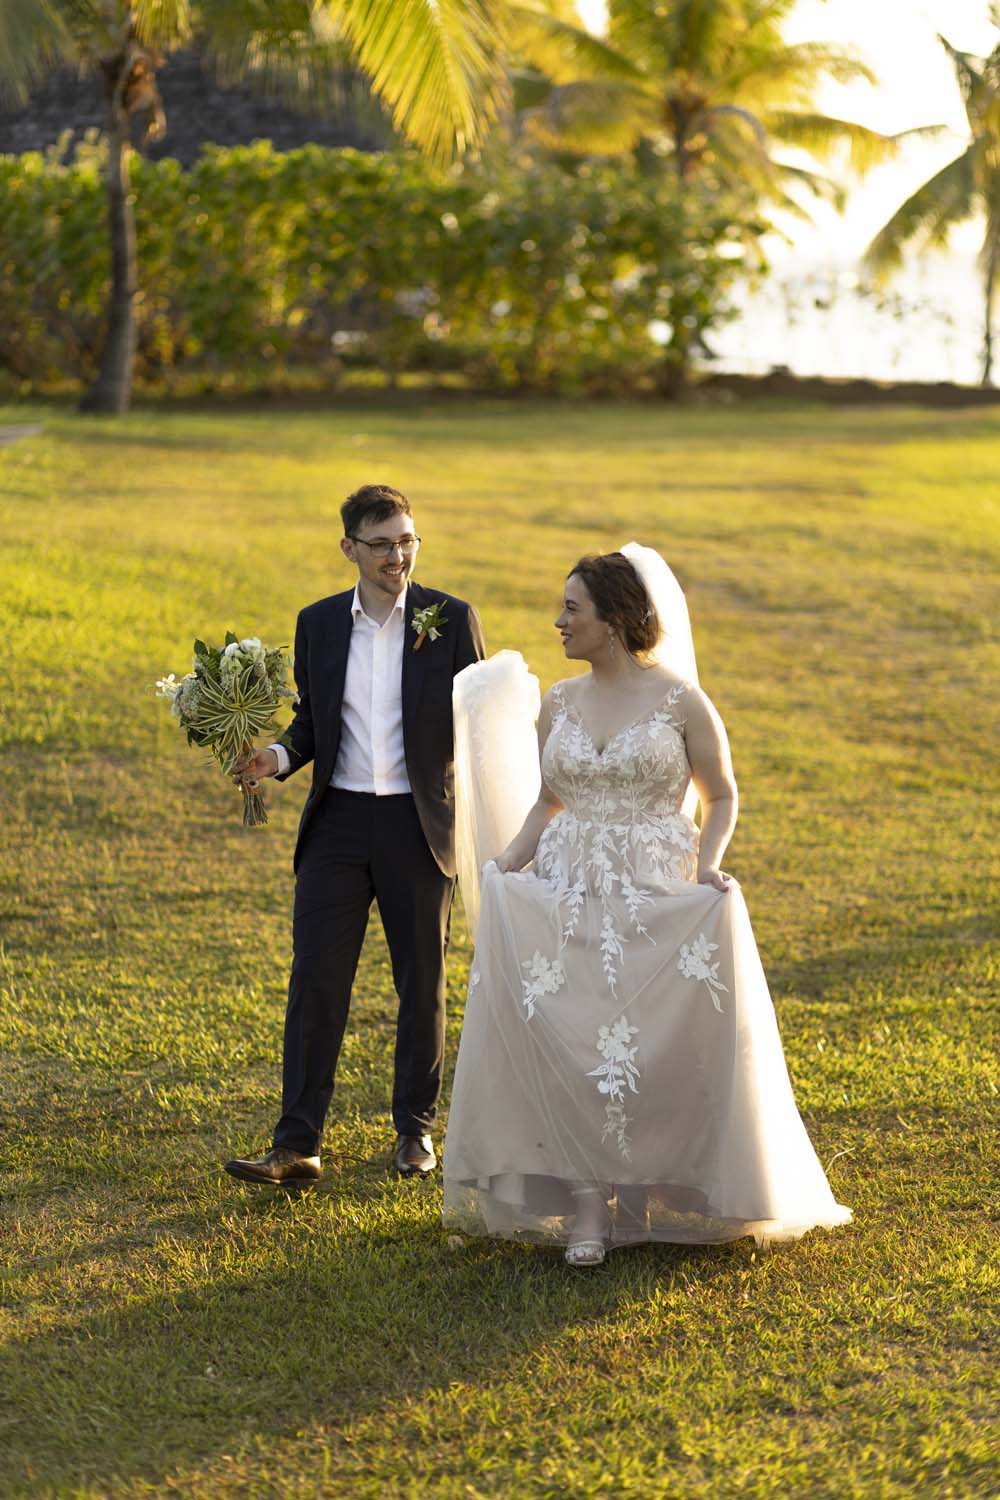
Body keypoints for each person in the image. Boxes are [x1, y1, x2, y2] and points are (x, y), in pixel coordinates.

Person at [443, 545, 850, 1265]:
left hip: (655, 898)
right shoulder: (560, 703)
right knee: (574, 1040)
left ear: (617, 618)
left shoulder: (680, 701)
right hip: (570, 895)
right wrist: (508, 863)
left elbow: (721, 794)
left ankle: (643, 1189)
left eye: (572, 608)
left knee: (645, 1047)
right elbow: (548, 800)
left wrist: (711, 866)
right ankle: (583, 1205)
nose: (558, 622)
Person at [225, 484, 485, 1188]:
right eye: (381, 544)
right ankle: (297, 1143)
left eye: (407, 540)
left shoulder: (451, 619)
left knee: (420, 981)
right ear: (349, 549)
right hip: (337, 821)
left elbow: (478, 725)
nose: (397, 555)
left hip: (417, 824)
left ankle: (414, 1132)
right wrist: (273, 758)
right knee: (315, 979)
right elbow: (312, 722)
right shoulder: (319, 624)